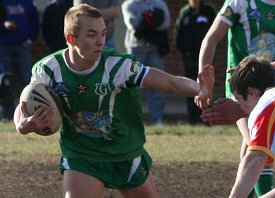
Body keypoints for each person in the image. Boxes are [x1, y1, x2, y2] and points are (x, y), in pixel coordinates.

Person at [13, 4, 213, 197]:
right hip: (82, 155)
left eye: (103, 33)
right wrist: (22, 125)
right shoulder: (47, 70)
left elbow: (169, 81)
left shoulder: (117, 65)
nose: (100, 41)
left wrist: (199, 89)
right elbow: (26, 102)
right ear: (71, 39)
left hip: (124, 152)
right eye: (92, 35)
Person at [196, 0, 275, 196]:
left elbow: (256, 158)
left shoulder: (272, 100)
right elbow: (210, 39)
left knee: (256, 148)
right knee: (254, 147)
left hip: (259, 87)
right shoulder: (240, 3)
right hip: (256, 82)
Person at [228, 55, 275, 198]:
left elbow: (255, 157)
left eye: (239, 99)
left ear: (251, 92)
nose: (241, 108)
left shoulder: (267, 102)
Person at [121, 0, 171, 125]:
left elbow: (165, 24)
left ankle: (156, 119)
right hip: (136, 50)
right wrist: (154, 19)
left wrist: (144, 21)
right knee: (132, 86)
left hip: (155, 50)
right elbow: (133, 24)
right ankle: (133, 120)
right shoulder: (129, 5)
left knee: (159, 85)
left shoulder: (160, 4)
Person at [174, 0, 216, 124]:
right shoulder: (184, 12)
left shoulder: (209, 10)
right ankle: (192, 119)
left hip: (206, 58)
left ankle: (206, 119)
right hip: (189, 58)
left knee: (206, 85)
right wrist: (185, 50)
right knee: (190, 86)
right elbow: (177, 32)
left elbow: (216, 33)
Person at [0, 0, 40, 120]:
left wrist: (30, 40)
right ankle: (7, 115)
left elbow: (35, 23)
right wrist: (3, 25)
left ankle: (27, 111)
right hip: (4, 46)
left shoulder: (27, 3)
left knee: (26, 79)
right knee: (6, 81)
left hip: (23, 46)